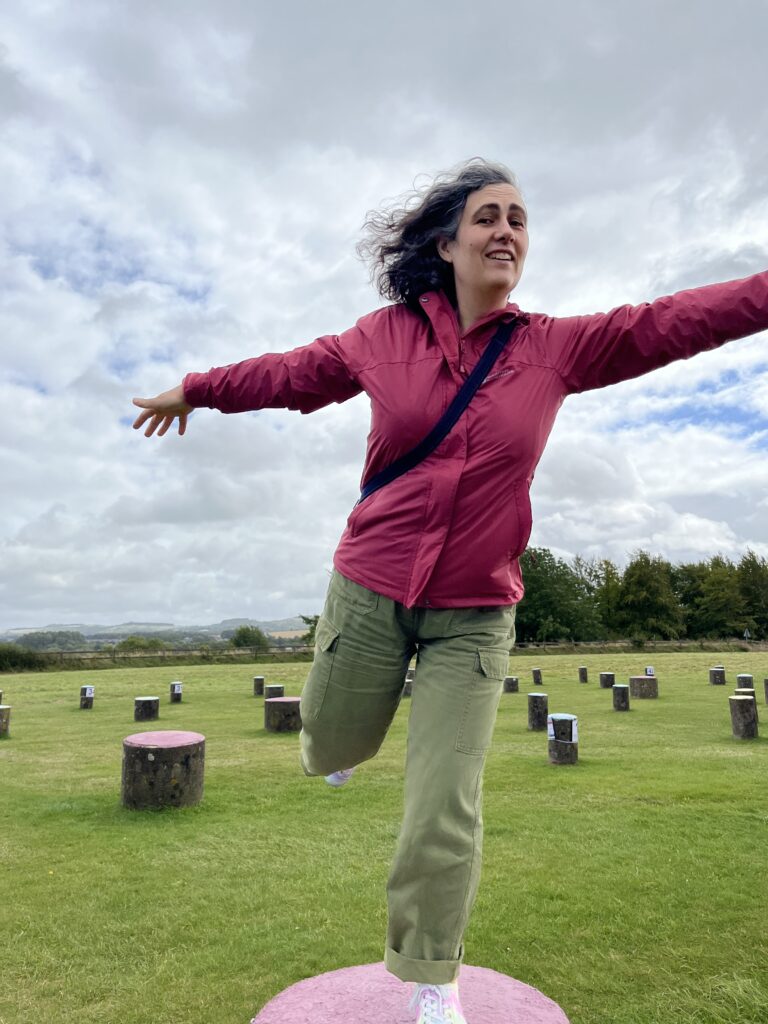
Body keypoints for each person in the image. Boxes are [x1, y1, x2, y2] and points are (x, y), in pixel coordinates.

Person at [132, 158, 768, 1024]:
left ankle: (433, 976)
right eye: (487, 217)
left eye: (519, 219)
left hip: (476, 613)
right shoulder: (381, 336)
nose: (506, 230)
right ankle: (339, 747)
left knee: (444, 803)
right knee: (332, 742)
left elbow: (669, 322)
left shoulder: (555, 346)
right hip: (370, 585)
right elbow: (288, 373)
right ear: (448, 241)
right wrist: (200, 391)